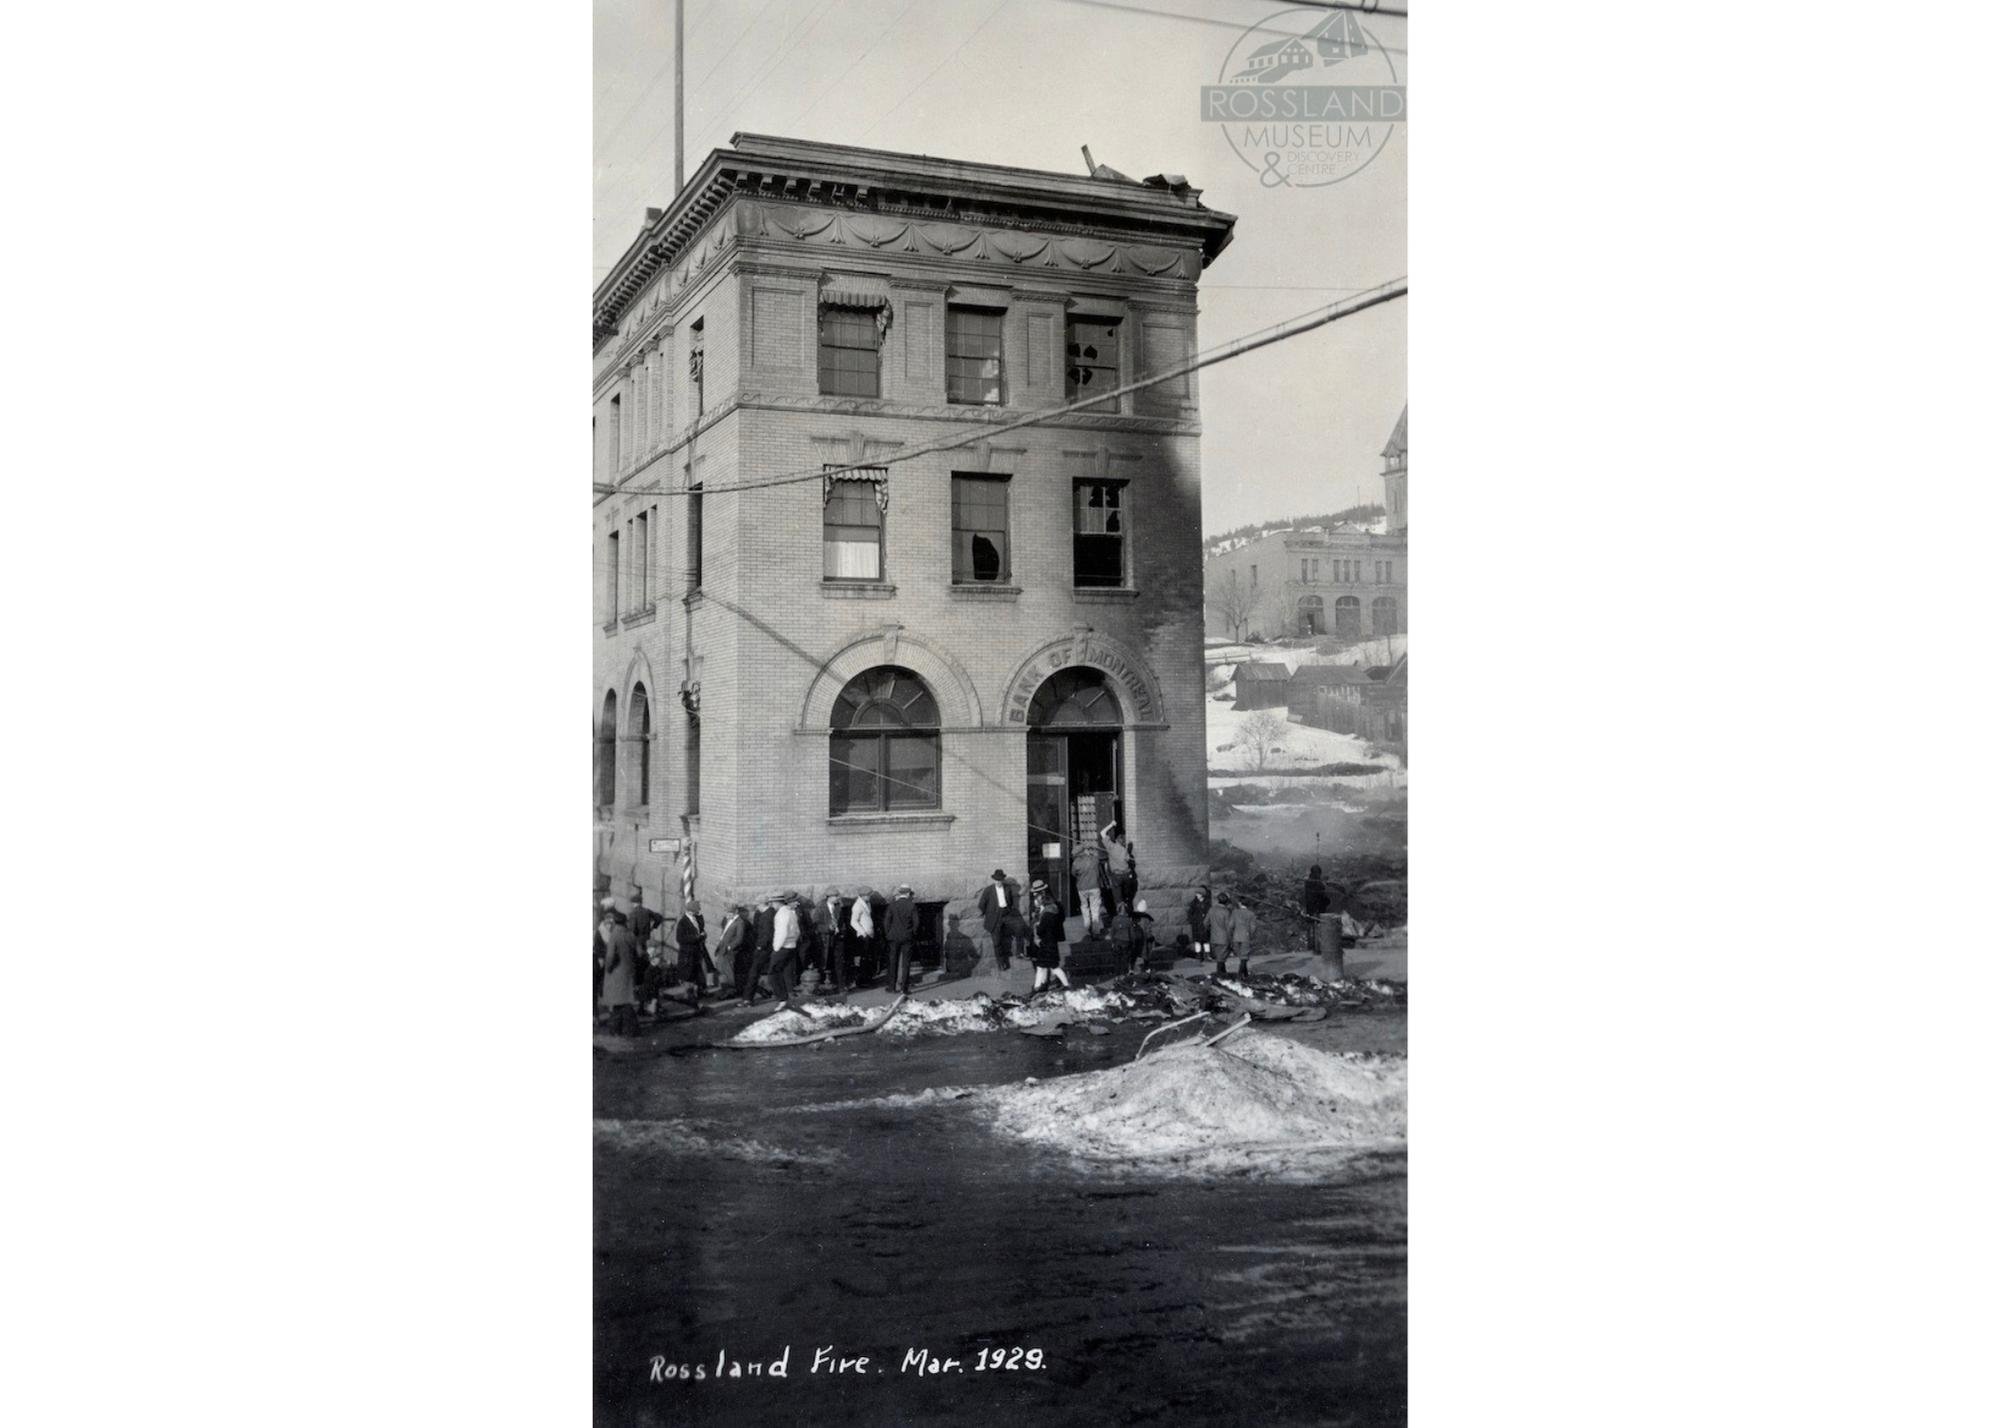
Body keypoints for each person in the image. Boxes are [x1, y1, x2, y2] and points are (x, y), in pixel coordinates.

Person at [975, 869, 1028, 972]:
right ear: (994, 880)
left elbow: (1010, 902)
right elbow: (981, 904)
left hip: (1006, 915)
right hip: (994, 918)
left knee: (1020, 927)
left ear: (1003, 880)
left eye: (1000, 880)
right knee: (997, 941)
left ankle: (1019, 952)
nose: (998, 882)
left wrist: (1009, 911)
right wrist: (988, 914)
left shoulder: (1007, 888)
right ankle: (1001, 963)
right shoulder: (988, 890)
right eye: (997, 880)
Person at [599, 909, 640, 1037]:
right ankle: (626, 1030)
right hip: (628, 972)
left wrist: (608, 969)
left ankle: (619, 1030)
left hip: (616, 974)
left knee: (618, 1003)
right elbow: (639, 953)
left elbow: (610, 956)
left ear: (616, 922)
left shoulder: (614, 935)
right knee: (624, 1002)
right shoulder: (630, 934)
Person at [1028, 880, 1073, 995]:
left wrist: (1038, 924)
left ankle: (1038, 988)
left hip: (1045, 942)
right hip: (1049, 941)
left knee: (1044, 967)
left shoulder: (1046, 913)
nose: (1035, 897)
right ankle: (1063, 985)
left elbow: (1041, 927)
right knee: (1050, 967)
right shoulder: (1053, 908)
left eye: (1036, 894)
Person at [883, 884, 920, 994]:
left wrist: (888, 933)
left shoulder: (892, 905)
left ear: (900, 893)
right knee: (906, 963)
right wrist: (912, 932)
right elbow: (916, 923)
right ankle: (904, 988)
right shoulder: (912, 905)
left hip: (893, 937)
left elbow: (886, 922)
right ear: (908, 893)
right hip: (907, 937)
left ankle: (892, 987)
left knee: (892, 961)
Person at [767, 893, 803, 1004]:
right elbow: (797, 931)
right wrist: (793, 941)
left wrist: (776, 948)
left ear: (777, 903)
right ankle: (787, 997)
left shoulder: (781, 915)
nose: (772, 905)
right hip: (792, 946)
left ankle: (782, 999)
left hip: (782, 947)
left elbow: (781, 932)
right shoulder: (791, 913)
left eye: (772, 903)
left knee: (773, 973)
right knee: (785, 972)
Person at [814, 891, 850, 994]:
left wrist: (842, 932)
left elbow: (842, 922)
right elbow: (816, 925)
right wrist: (827, 928)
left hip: (837, 938)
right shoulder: (820, 907)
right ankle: (821, 987)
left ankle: (840, 986)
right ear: (829, 897)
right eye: (835, 896)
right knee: (824, 962)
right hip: (825, 940)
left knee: (839, 962)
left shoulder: (838, 907)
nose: (838, 898)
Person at [675, 900, 709, 1005]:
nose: (699, 911)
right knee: (688, 974)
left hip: (697, 951)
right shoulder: (683, 922)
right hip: (687, 953)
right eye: (697, 909)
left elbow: (700, 929)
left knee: (697, 972)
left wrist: (702, 934)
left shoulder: (697, 919)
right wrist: (696, 937)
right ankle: (688, 995)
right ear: (691, 911)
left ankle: (699, 992)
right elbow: (680, 938)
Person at [743, 896, 777, 1003]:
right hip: (769, 948)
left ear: (761, 904)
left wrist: (759, 946)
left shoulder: (766, 916)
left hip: (763, 949)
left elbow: (766, 934)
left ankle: (748, 999)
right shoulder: (771, 913)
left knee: (754, 972)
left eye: (757, 905)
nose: (756, 907)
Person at [713, 903, 749, 1001]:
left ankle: (731, 991)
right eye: (727, 912)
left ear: (735, 912)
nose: (727, 914)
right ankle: (724, 989)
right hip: (722, 949)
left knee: (728, 971)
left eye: (729, 912)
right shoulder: (727, 920)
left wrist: (729, 947)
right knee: (721, 969)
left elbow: (739, 938)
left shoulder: (740, 922)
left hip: (729, 951)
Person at [1071, 839, 1107, 935]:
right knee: (1095, 908)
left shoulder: (1076, 862)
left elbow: (1073, 873)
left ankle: (1087, 927)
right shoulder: (1094, 859)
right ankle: (1096, 930)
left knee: (1084, 907)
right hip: (1094, 886)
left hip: (1082, 887)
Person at [1099, 824, 1133, 915]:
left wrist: (1111, 824)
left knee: (1118, 899)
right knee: (1127, 897)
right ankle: (1128, 914)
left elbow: (1102, 832)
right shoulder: (1124, 850)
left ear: (1116, 840)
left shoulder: (1111, 847)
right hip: (1126, 875)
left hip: (1117, 876)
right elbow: (1128, 860)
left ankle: (1121, 917)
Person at [849, 889, 878, 987]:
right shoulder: (857, 906)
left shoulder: (867, 903)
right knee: (863, 958)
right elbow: (853, 922)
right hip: (863, 936)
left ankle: (867, 978)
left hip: (869, 934)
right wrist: (863, 932)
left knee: (867, 958)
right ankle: (862, 981)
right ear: (863, 895)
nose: (870, 897)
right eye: (869, 895)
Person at [1298, 865, 1331, 952]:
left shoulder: (1307, 882)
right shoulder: (1319, 883)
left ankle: (1311, 947)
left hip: (1309, 910)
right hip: (1319, 911)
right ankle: (1318, 948)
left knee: (1310, 930)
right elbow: (1324, 897)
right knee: (1319, 930)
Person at [1226, 894, 1258, 979]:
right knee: (1244, 957)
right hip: (1245, 936)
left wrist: (1231, 935)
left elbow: (1230, 925)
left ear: (1240, 903)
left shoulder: (1235, 912)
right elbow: (1253, 927)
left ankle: (1245, 974)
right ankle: (1240, 975)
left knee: (1241, 956)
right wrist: (1250, 935)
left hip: (1236, 936)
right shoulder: (1251, 914)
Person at [1186, 885, 1214, 965]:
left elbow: (1209, 913)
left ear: (1202, 894)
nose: (1196, 895)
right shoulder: (1194, 903)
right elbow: (1190, 913)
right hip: (1196, 925)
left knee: (1206, 941)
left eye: (1198, 893)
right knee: (1197, 941)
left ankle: (1207, 955)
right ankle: (1198, 955)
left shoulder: (1207, 903)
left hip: (1204, 924)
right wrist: (1192, 920)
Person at [1130, 898, 1157, 972]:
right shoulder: (1147, 919)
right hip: (1144, 939)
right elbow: (1149, 930)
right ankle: (1145, 969)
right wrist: (1151, 937)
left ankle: (1134, 969)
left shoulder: (1133, 917)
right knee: (1145, 955)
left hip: (1136, 939)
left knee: (1136, 954)